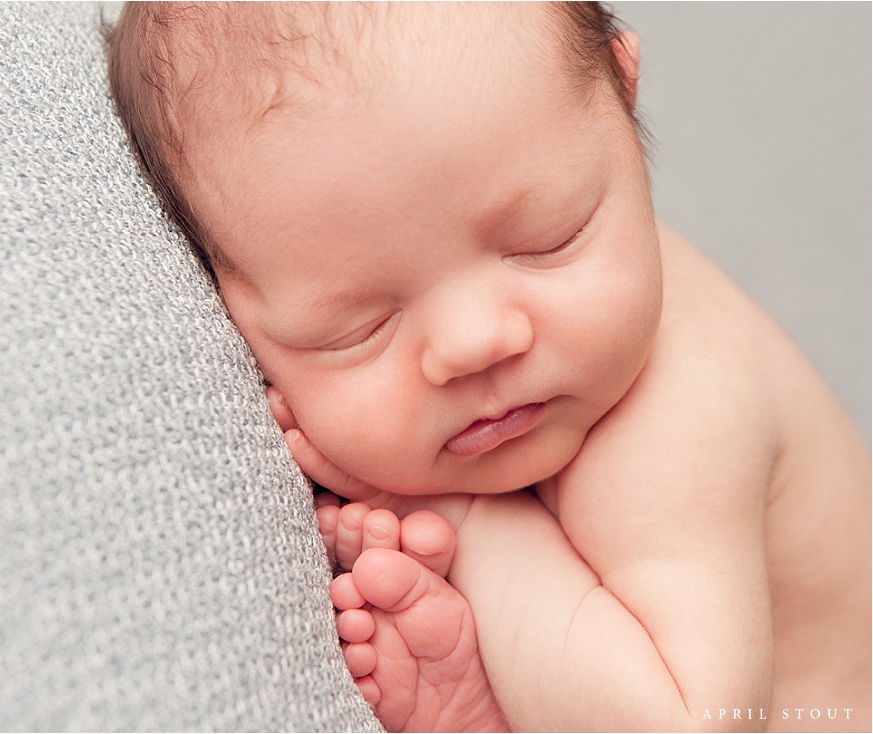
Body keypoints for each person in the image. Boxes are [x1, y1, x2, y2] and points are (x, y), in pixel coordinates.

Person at [104, 3, 872, 730]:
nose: (475, 344)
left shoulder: (673, 412)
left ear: (624, 95)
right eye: (358, 326)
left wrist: (467, 525)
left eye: (547, 239)